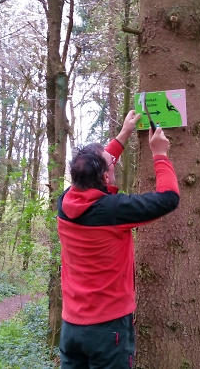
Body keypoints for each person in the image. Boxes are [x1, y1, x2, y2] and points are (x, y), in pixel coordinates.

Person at [56, 110, 180, 369]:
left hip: (71, 328)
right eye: (111, 164)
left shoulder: (65, 203)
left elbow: (93, 168)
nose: (114, 162)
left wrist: (123, 135)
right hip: (107, 329)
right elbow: (169, 197)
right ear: (105, 177)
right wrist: (160, 154)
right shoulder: (113, 211)